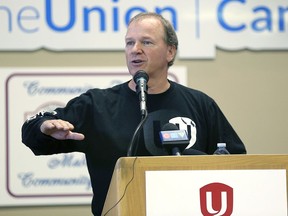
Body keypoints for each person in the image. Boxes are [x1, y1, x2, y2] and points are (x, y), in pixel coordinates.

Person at [21, 12, 246, 216]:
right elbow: (34, 133)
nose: (135, 49)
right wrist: (45, 127)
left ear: (170, 51)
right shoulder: (97, 105)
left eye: (146, 42)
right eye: (130, 43)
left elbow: (235, 162)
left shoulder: (201, 104)